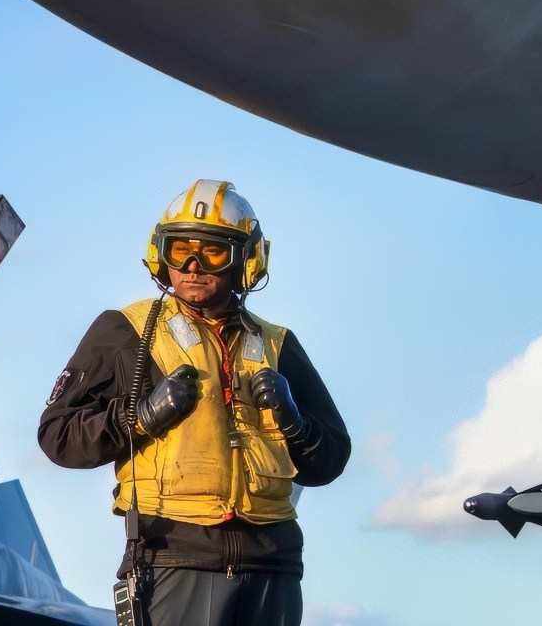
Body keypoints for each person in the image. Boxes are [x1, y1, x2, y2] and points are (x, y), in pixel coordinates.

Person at [39, 180, 349, 626]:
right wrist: (139, 416)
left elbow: (332, 459)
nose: (191, 265)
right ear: (158, 254)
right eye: (179, 249)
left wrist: (295, 421)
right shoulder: (124, 331)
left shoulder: (279, 344)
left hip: (273, 566)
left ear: (248, 258)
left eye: (213, 251)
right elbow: (58, 436)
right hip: (172, 559)